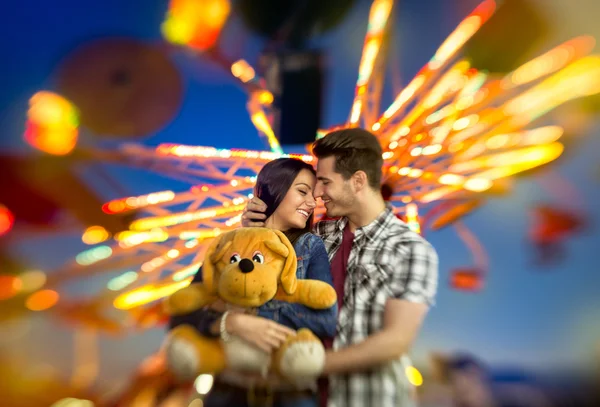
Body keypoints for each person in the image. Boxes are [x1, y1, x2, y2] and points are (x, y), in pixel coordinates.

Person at [242, 127, 439, 407]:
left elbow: (395, 341)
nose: (317, 194)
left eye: (324, 182)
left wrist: (305, 365)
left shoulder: (410, 249)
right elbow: (262, 286)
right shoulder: (318, 235)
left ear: (358, 181)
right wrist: (252, 231)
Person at [169, 157, 338, 407]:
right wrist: (230, 322)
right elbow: (182, 313)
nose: (312, 202)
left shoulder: (310, 247)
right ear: (274, 190)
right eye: (302, 191)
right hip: (228, 392)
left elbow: (326, 320)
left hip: (289, 395)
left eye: (314, 195)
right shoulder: (231, 244)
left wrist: (254, 312)